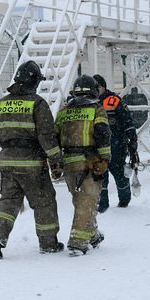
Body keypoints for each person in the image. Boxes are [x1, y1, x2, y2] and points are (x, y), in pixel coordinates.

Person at [0, 61, 65, 259]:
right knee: (44, 202)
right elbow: (46, 136)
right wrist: (56, 159)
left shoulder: (3, 103)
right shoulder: (37, 104)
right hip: (31, 164)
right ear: (34, 82)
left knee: (7, 202)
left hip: (7, 162)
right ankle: (48, 244)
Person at [55, 75, 112, 256]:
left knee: (81, 200)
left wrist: (55, 165)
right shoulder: (96, 109)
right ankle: (77, 243)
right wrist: (105, 158)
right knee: (87, 202)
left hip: (69, 163)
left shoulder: (63, 111)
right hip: (90, 161)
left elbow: (54, 138)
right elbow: (103, 133)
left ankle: (93, 235)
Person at [92, 74, 139, 213]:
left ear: (103, 87)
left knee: (119, 173)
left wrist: (132, 139)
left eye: (97, 87)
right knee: (101, 175)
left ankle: (124, 200)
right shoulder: (90, 103)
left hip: (116, 144)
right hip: (98, 146)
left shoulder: (113, 100)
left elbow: (127, 120)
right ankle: (102, 204)